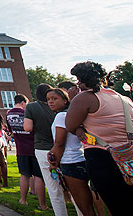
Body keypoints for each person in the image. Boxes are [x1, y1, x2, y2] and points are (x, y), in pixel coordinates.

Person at [66, 61, 133, 214]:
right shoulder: (123, 98)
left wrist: (78, 125)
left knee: (117, 205)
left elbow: (70, 125)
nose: (77, 83)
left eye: (78, 80)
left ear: (83, 81)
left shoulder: (84, 98)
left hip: (102, 157)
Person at [47, 88, 95, 216]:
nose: (51, 102)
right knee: (88, 203)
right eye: (48, 99)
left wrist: (53, 161)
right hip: (80, 158)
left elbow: (60, 143)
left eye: (54, 99)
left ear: (65, 100)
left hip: (70, 161)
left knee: (84, 206)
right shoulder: (72, 115)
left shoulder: (61, 116)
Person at [24, 83, 67, 215]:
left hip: (44, 149)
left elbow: (28, 128)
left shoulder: (31, 107)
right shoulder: (63, 109)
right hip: (65, 148)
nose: (50, 102)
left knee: (53, 188)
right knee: (73, 187)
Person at [6, 94, 47, 208]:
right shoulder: (27, 113)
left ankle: (23, 199)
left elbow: (11, 131)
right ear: (23, 102)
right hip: (33, 147)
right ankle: (42, 204)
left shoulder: (9, 114)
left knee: (24, 175)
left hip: (21, 148)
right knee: (38, 176)